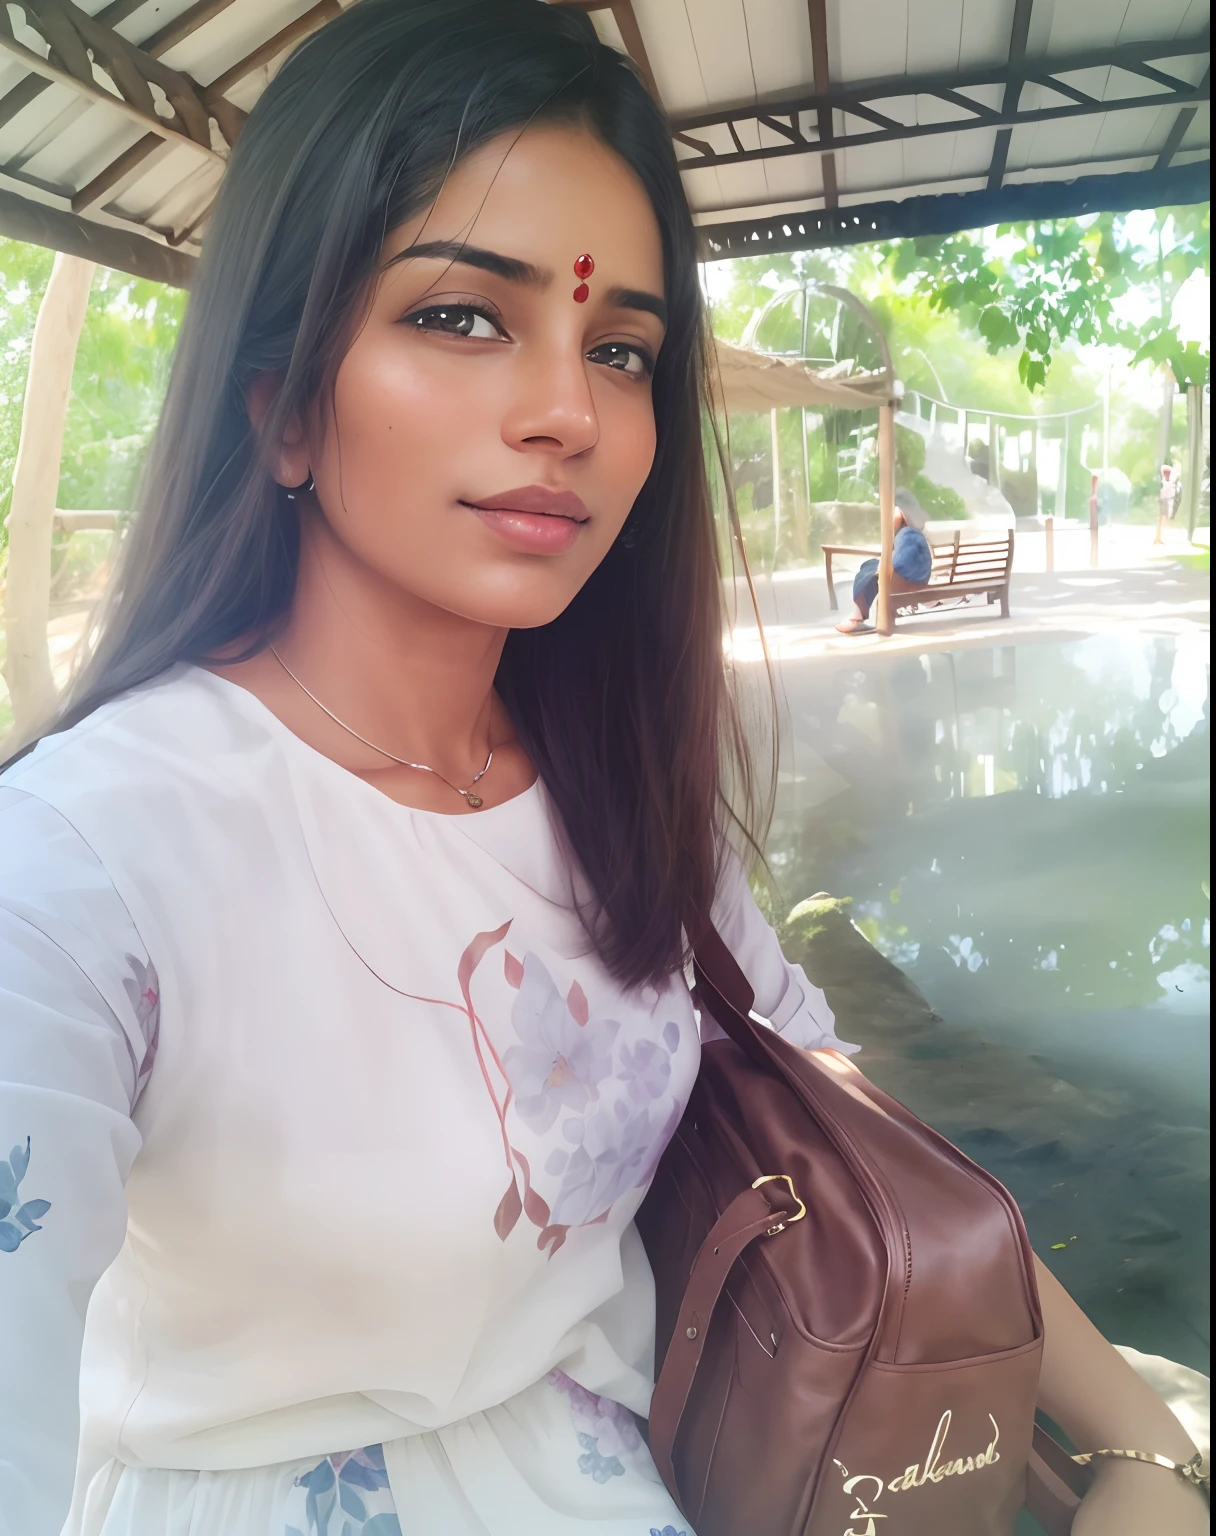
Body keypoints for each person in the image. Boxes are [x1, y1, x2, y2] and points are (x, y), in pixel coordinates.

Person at [0, 5, 1206, 1535]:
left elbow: (841, 1126)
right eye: (461, 316)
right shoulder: (80, 871)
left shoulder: (620, 801)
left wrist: (1137, 1442)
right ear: (282, 402)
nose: (571, 412)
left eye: (621, 348)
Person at [834, 487, 933, 634]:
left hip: (907, 581)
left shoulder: (908, 534)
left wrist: (885, 565)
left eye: (892, 512)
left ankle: (858, 615)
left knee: (870, 570)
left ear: (902, 514)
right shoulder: (912, 534)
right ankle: (859, 613)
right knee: (869, 566)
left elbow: (903, 562)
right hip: (913, 579)